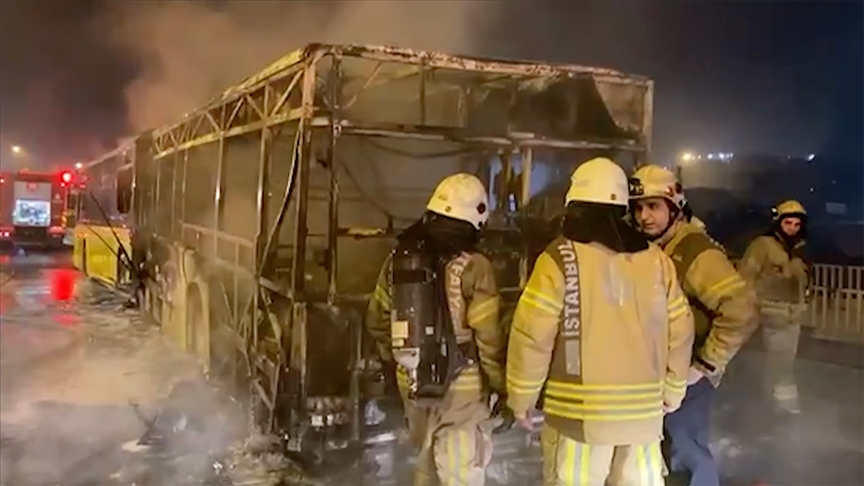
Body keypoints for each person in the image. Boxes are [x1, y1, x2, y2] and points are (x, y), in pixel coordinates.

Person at [506, 157, 695, 486]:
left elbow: (532, 336)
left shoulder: (558, 258)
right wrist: (674, 390)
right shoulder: (656, 260)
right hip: (643, 421)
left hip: (580, 421)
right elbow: (680, 330)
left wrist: (521, 399)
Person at [365, 173, 507, 486]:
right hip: (462, 392)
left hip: (413, 383)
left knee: (426, 464)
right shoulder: (474, 266)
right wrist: (500, 385)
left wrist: (398, 365)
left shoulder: (398, 259)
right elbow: (488, 336)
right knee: (460, 472)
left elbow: (376, 319)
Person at [629, 164, 758, 486]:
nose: (645, 217)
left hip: (688, 377)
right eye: (638, 208)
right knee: (663, 454)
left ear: (676, 208)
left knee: (683, 452)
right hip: (660, 374)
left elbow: (742, 310)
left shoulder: (696, 252)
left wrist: (705, 364)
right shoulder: (656, 249)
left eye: (654, 206)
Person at [737, 199, 810, 414]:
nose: (793, 229)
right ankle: (769, 406)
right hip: (766, 316)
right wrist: (749, 310)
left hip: (791, 318)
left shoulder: (798, 251)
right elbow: (745, 278)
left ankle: (777, 405)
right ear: (778, 223)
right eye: (788, 223)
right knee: (771, 365)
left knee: (784, 363)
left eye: (797, 225)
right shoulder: (763, 246)